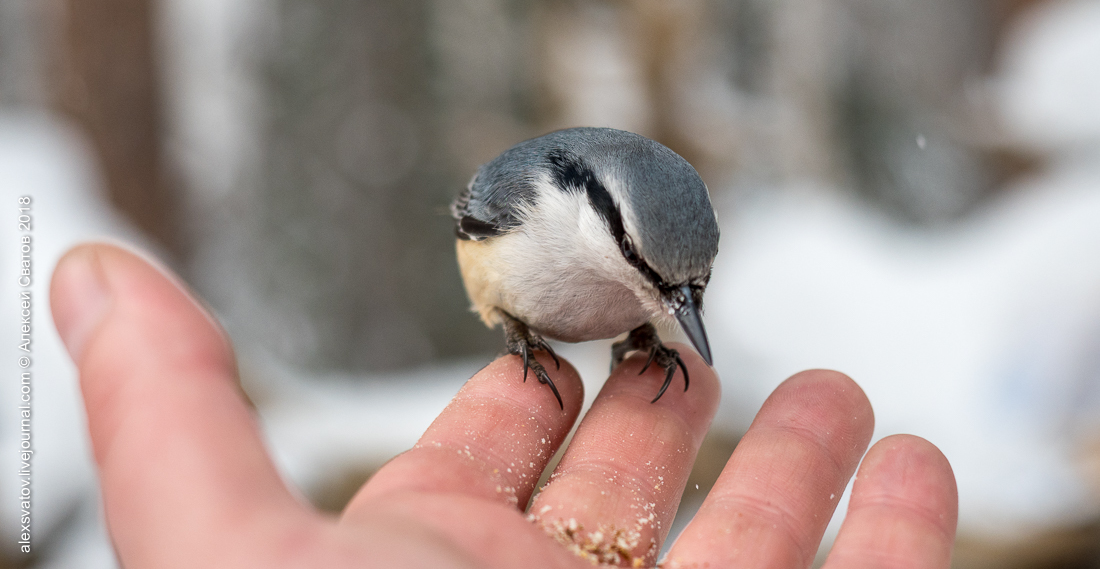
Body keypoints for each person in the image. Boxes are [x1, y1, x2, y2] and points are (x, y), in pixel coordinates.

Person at [50, 243, 957, 568]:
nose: (682, 305)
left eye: (692, 292)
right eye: (655, 279)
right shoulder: (528, 212)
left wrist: (647, 322)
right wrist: (522, 329)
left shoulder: (657, 258)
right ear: (594, 223)